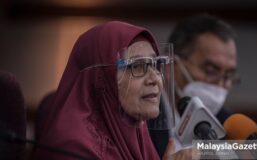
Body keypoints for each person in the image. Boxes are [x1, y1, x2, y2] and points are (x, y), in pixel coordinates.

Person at [34, 21, 193, 160]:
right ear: (101, 77)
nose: (155, 79)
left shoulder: (138, 133)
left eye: (155, 65)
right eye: (137, 66)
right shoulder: (70, 148)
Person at [169, 14, 238, 124]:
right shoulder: (144, 121)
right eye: (211, 71)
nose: (220, 85)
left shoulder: (228, 126)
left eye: (228, 75)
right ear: (172, 66)